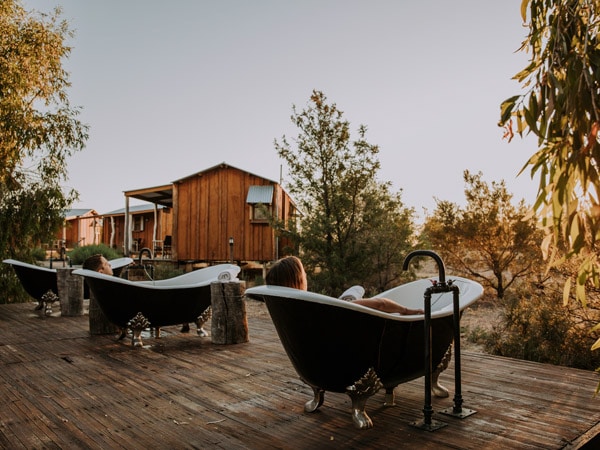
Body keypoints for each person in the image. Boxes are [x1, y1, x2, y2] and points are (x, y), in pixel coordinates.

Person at [265, 256, 424, 315]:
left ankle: (348, 299)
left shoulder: (287, 310)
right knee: (354, 298)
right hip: (340, 315)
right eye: (304, 274)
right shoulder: (314, 308)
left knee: (353, 295)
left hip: (309, 360)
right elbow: (380, 304)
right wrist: (407, 310)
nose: (306, 277)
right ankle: (348, 301)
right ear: (298, 280)